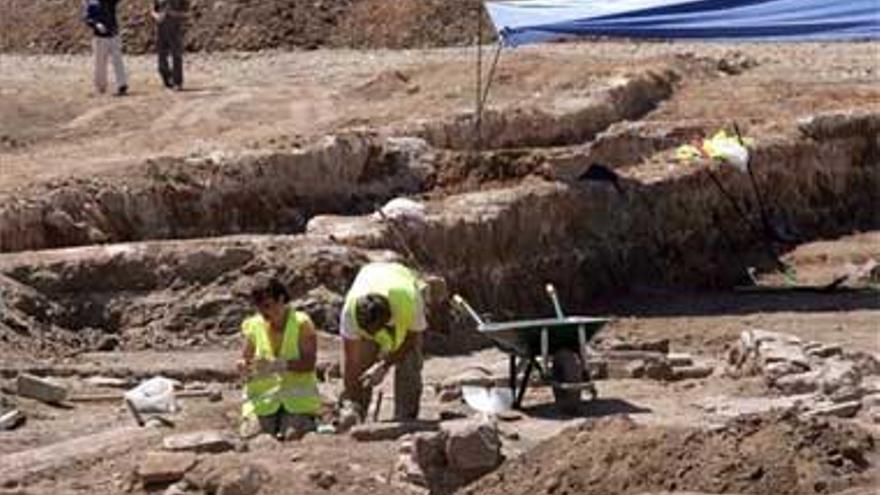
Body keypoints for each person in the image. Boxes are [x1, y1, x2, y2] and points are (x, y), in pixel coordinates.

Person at [339, 262, 427, 425]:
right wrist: (349, 399)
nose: (374, 335)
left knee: (410, 360)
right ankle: (357, 414)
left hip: (399, 276)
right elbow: (351, 361)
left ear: (387, 318)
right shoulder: (350, 314)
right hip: (370, 275)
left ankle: (405, 417)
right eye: (369, 332)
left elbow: (412, 339)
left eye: (375, 330)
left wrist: (384, 365)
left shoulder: (410, 301)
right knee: (362, 365)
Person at [238, 276, 321, 440]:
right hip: (263, 403)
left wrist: (277, 365)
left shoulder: (301, 323)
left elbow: (309, 363)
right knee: (255, 438)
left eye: (268, 306)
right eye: (260, 308)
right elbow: (246, 359)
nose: (265, 313)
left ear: (281, 299)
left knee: (293, 437)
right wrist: (243, 367)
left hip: (297, 403)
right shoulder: (253, 325)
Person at [83, 0, 128, 96]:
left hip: (113, 34)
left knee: (117, 61)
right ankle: (100, 87)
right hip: (100, 36)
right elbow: (87, 18)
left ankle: (122, 85)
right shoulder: (92, 3)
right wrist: (95, 24)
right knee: (99, 63)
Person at [151, 0, 187, 90]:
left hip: (174, 28)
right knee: (161, 56)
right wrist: (156, 16)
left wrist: (172, 14)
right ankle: (167, 79)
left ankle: (178, 82)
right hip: (160, 28)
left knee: (176, 55)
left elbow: (187, 13)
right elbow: (153, 10)